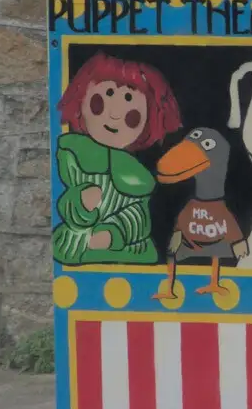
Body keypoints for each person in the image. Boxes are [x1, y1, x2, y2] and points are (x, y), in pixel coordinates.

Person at [53, 53, 180, 265]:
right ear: (81, 98)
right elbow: (62, 199)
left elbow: (139, 217)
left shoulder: (138, 176)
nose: (114, 115)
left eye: (129, 103)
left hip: (128, 254)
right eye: (104, 98)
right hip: (76, 248)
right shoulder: (71, 153)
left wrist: (114, 232)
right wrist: (81, 204)